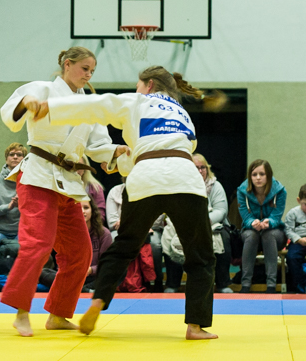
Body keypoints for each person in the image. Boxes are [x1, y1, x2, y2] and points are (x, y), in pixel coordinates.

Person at [32, 65, 220, 339]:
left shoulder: (136, 101)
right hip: (184, 178)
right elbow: (178, 148)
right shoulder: (183, 114)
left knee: (124, 246)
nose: (136, 90)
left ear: (149, 84)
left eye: (138, 85)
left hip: (144, 177)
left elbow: (96, 105)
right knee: (200, 255)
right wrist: (122, 161)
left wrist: (50, 107)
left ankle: (99, 299)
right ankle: (195, 326)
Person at [0, 46, 125, 337]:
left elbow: (97, 145)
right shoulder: (41, 89)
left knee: (80, 252)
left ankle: (57, 314)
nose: (89, 74)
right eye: (84, 68)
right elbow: (10, 114)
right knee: (38, 244)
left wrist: (115, 151)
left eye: (92, 70)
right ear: (67, 64)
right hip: (38, 176)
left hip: (67, 183)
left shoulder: (91, 105)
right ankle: (21, 312)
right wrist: (26, 103)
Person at [163, 153, 233, 294]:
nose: (200, 171)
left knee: (223, 238)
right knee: (168, 236)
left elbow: (221, 211)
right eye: (196, 168)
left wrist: (203, 222)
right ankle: (172, 283)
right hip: (183, 223)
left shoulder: (215, 186)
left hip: (210, 222)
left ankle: (222, 283)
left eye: (203, 167)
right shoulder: (178, 186)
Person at [237, 159, 286, 294]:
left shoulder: (280, 191)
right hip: (250, 230)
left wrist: (269, 222)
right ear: (250, 176)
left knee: (268, 235)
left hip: (274, 231)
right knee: (251, 236)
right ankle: (245, 284)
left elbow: (277, 216)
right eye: (254, 175)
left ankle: (271, 285)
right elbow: (245, 215)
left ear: (268, 175)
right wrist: (251, 222)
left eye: (262, 174)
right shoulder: (242, 191)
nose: (258, 178)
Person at [0, 143, 26, 291]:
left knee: (24, 244)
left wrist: (23, 205)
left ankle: (19, 285)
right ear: (6, 158)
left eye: (19, 155)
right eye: (11, 154)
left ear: (24, 159)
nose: (15, 157)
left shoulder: (28, 181)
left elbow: (35, 211)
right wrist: (9, 206)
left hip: (21, 230)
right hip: (0, 231)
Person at [77, 157, 107, 222]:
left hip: (91, 226)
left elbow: (100, 215)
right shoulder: (60, 187)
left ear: (86, 167)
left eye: (79, 165)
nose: (75, 169)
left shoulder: (95, 188)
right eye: (72, 165)